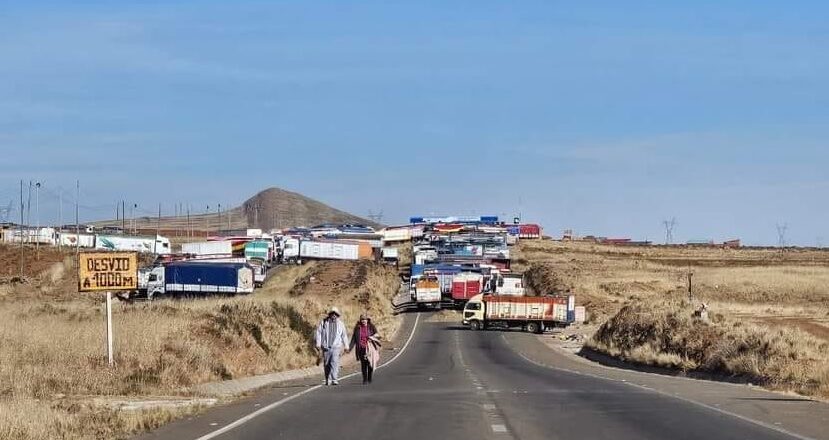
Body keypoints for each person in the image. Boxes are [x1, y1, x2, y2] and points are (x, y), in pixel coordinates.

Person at [314, 307, 349, 385]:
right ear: (330, 314)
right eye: (332, 313)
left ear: (337, 315)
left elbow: (344, 335)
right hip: (326, 347)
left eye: (335, 314)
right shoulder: (324, 322)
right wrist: (318, 344)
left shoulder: (340, 324)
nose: (334, 315)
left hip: (336, 346)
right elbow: (318, 333)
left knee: (334, 362)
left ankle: (334, 379)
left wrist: (346, 346)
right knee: (327, 364)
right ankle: (328, 379)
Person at [349, 313, 381, 384]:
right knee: (363, 364)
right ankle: (365, 379)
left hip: (370, 348)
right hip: (361, 348)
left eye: (365, 319)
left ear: (367, 320)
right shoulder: (357, 328)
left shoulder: (371, 327)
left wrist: (372, 338)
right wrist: (349, 348)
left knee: (370, 363)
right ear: (360, 320)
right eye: (362, 319)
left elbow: (377, 335)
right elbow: (354, 339)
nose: (363, 321)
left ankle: (369, 377)